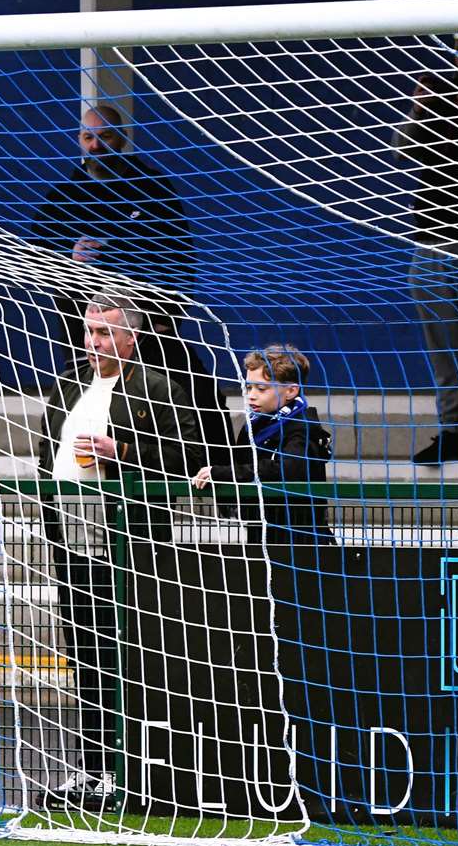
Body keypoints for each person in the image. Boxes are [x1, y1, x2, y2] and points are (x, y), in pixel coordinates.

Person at [36, 293, 204, 809]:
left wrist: (123, 452)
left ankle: (131, 769)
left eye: (105, 332)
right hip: (70, 536)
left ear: (131, 337)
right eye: (89, 331)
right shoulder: (67, 385)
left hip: (129, 539)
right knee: (84, 652)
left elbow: (192, 456)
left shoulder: (158, 389)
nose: (93, 342)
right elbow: (47, 450)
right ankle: (91, 768)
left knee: (128, 654)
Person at [34, 104, 231, 461]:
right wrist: (69, 258)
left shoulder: (153, 189)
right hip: (87, 327)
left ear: (122, 137)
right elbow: (36, 259)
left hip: (149, 324)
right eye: (87, 137)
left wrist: (166, 317)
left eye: (104, 136)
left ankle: (220, 474)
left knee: (200, 392)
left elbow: (179, 257)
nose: (95, 146)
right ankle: (59, 473)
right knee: (79, 397)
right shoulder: (63, 197)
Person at [394, 34, 458, 465]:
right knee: (445, 352)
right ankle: (451, 432)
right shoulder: (437, 94)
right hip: (431, 246)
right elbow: (406, 149)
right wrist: (423, 106)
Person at [191, 346, 334, 546]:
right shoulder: (254, 424)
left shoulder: (302, 427)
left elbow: (287, 469)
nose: (251, 395)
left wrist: (223, 473)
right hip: (261, 531)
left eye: (261, 389)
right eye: (249, 387)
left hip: (300, 538)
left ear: (291, 390)